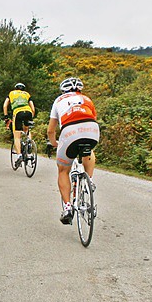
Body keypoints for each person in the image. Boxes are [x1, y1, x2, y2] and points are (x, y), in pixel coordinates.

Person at [46, 77, 100, 224]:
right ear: (80, 89)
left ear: (63, 90)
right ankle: (90, 180)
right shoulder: (86, 98)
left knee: (63, 170)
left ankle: (68, 207)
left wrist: (55, 144)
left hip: (69, 132)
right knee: (88, 149)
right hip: (92, 129)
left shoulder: (58, 101)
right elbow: (92, 118)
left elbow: (51, 130)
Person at [3, 82, 36, 168]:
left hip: (17, 112)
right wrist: (31, 117)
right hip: (28, 112)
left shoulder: (11, 93)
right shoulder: (27, 94)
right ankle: (29, 143)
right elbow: (33, 108)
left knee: (16, 136)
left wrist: (6, 117)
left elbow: (5, 105)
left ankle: (19, 155)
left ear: (15, 88)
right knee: (27, 130)